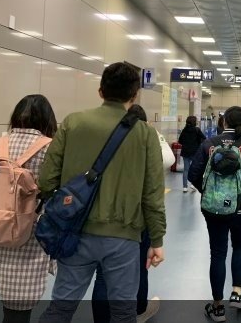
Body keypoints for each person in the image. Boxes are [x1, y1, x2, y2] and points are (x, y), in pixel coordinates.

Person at [38, 62, 166, 322]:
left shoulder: (73, 123)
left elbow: (46, 180)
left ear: (100, 91)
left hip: (75, 233)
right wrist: (157, 240)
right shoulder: (145, 135)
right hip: (124, 239)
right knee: (122, 313)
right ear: (135, 95)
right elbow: (152, 195)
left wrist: (64, 209)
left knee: (60, 309)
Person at [0, 95, 57, 323]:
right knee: (20, 304)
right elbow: (53, 187)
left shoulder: (0, 144)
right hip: (28, 233)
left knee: (11, 303)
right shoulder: (49, 147)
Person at [188, 106, 241, 322]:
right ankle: (237, 294)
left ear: (224, 122)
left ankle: (218, 307)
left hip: (215, 210)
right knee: (240, 246)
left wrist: (210, 194)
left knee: (218, 252)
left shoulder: (209, 145)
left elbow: (193, 174)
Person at [91, 104, 166, 323]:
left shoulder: (106, 140)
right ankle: (139, 309)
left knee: (103, 275)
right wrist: (158, 235)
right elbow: (153, 193)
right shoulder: (147, 141)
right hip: (137, 220)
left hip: (102, 217)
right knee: (140, 268)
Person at [178, 115, 206, 193]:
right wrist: (199, 142)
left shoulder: (184, 130)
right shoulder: (197, 130)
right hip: (195, 152)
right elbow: (204, 138)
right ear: (194, 122)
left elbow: (180, 141)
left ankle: (184, 187)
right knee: (195, 169)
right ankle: (193, 185)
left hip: (185, 152)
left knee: (186, 170)